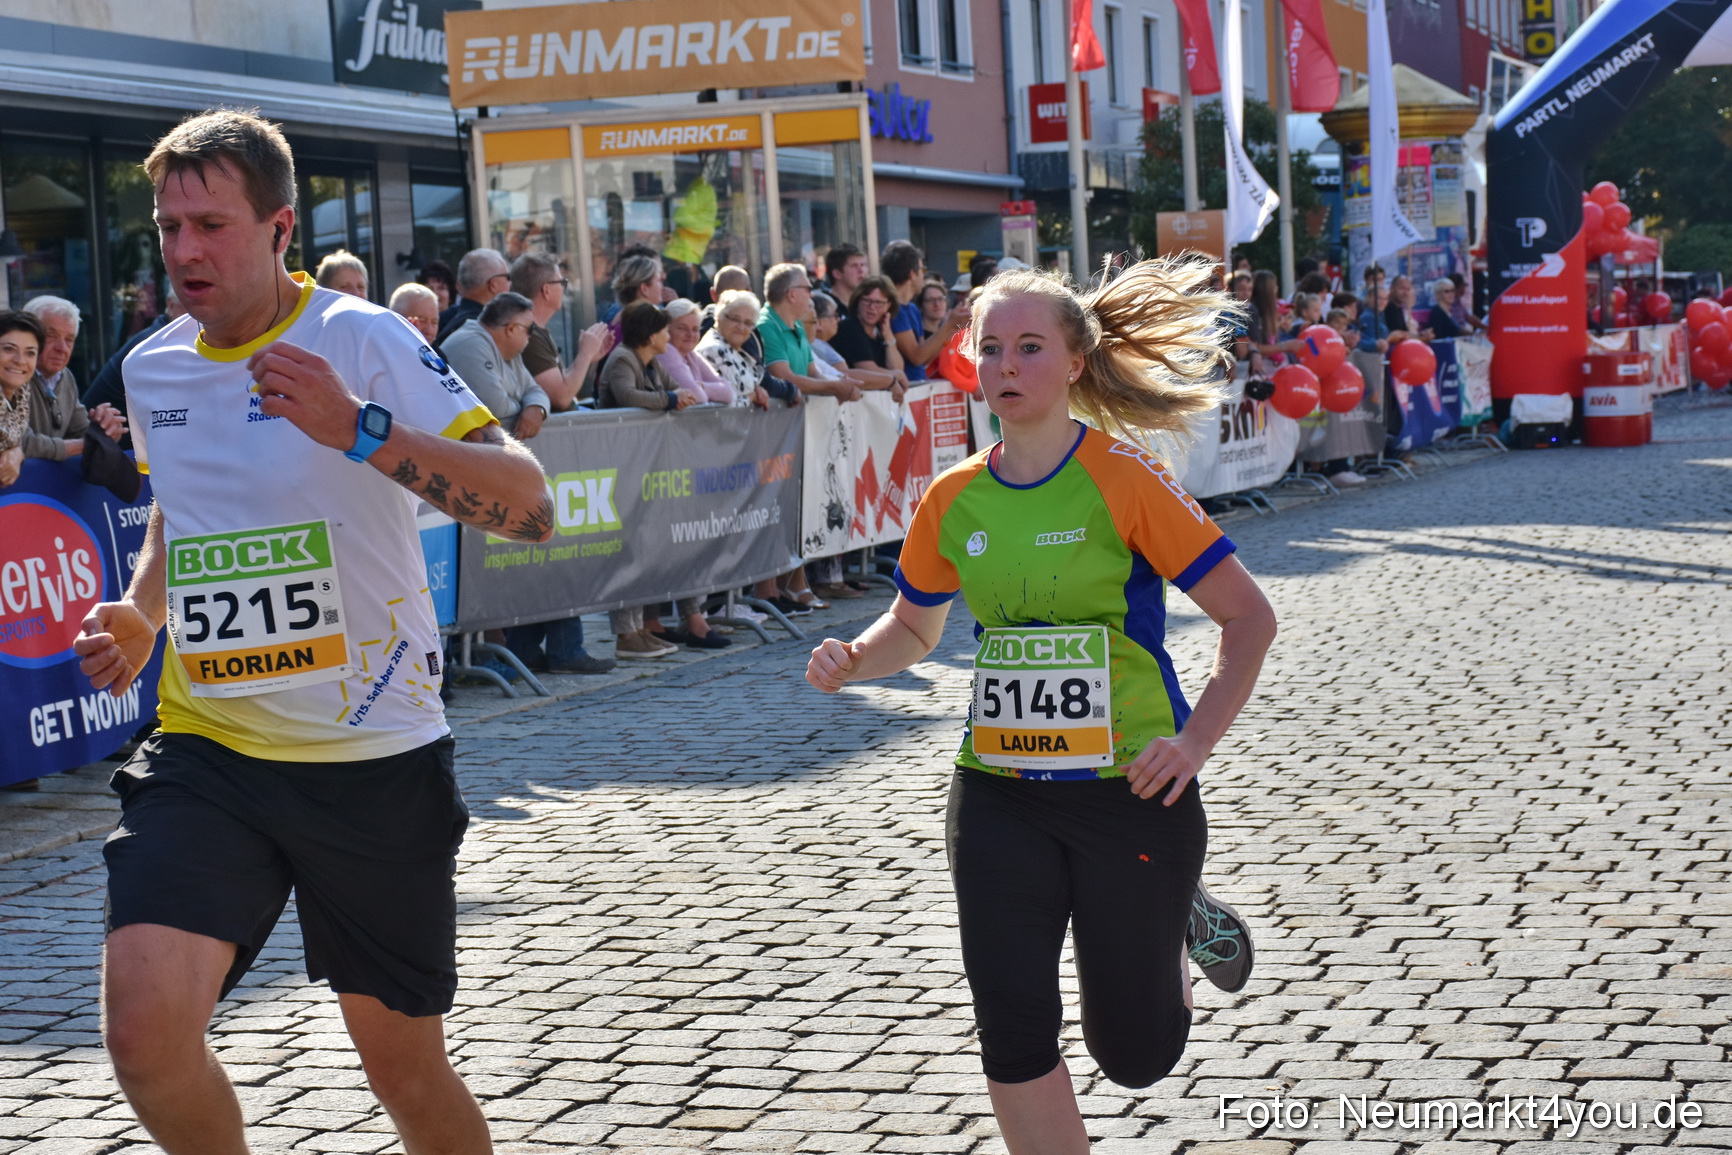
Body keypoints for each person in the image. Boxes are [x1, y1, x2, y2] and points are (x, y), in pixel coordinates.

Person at [71, 108, 553, 1155]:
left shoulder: (363, 340)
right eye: (168, 228)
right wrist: (145, 610)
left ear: (280, 227)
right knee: (145, 1033)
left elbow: (528, 504)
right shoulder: (154, 369)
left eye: (211, 224)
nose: (185, 251)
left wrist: (359, 430)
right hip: (212, 751)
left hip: (373, 763)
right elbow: (182, 508)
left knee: (406, 1074)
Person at [806, 258, 1274, 1152]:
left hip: (1130, 787)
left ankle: (1178, 912)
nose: (1007, 365)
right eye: (991, 349)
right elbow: (913, 626)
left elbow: (1249, 617)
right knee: (1013, 1029)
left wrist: (1192, 746)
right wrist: (854, 659)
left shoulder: (1124, 479)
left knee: (1135, 1054)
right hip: (999, 791)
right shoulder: (952, 496)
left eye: (1029, 347)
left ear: (1074, 364)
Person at [594, 302, 719, 658]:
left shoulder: (650, 360)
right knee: (626, 550)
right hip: (620, 466)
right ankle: (625, 634)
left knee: (643, 549)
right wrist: (670, 399)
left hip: (642, 467)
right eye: (665, 330)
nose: (669, 336)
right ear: (651, 335)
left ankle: (638, 629)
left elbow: (683, 393)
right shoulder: (623, 359)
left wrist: (675, 396)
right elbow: (628, 396)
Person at [21, 296, 127, 461]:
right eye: (51, 335)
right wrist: (88, 444)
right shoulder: (11, 376)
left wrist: (104, 428)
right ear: (27, 336)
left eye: (69, 340)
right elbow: (19, 442)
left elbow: (80, 431)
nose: (61, 348)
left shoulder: (65, 376)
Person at [439, 292, 551, 440]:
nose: (530, 336)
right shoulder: (470, 344)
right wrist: (524, 407)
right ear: (511, 329)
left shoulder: (510, 351)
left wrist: (536, 408)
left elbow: (535, 390)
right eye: (530, 329)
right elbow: (495, 408)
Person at [508, 251, 611, 410]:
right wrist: (584, 355)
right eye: (561, 282)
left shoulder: (535, 331)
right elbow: (561, 398)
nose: (564, 289)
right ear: (546, 290)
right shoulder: (529, 336)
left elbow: (558, 381)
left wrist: (588, 357)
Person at [757, 262, 864, 403]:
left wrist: (840, 386)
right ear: (792, 294)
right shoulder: (765, 326)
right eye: (807, 289)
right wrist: (835, 386)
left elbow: (813, 373)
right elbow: (785, 378)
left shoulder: (797, 326)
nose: (811, 294)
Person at [83, 288, 187, 430]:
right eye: (189, 304)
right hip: (114, 445)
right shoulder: (156, 346)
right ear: (170, 305)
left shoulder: (169, 338)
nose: (197, 315)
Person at [882, 240, 970, 382]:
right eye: (921, 270)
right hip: (905, 387)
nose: (924, 275)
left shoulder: (912, 309)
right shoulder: (895, 310)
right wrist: (949, 325)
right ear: (912, 274)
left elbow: (925, 356)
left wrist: (952, 329)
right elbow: (916, 357)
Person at [696, 290, 799, 410]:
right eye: (735, 319)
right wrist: (753, 397)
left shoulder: (738, 351)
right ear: (719, 316)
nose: (741, 327)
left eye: (748, 323)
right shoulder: (715, 350)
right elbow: (728, 403)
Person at [657, 299, 733, 404]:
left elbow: (729, 393)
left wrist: (701, 386)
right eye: (682, 328)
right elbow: (696, 396)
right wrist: (706, 390)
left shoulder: (691, 355)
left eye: (695, 329)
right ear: (667, 329)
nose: (690, 335)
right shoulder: (666, 352)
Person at [829, 275, 907, 377]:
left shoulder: (881, 329)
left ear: (889, 306)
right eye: (867, 300)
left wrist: (888, 337)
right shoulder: (850, 327)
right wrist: (895, 376)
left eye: (879, 302)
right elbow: (868, 370)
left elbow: (897, 369)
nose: (872, 307)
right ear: (858, 301)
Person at [435, 248, 508, 346]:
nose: (510, 283)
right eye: (507, 277)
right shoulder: (486, 329)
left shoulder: (444, 320)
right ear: (493, 284)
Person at [0, 310, 40, 489]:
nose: (20, 360)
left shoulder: (22, 391)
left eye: (30, 353)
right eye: (9, 349)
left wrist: (17, 452)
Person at [603, 254, 665, 341]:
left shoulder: (623, 319)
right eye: (659, 281)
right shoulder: (639, 327)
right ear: (644, 289)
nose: (662, 286)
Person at [1383, 274, 1432, 345]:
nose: (1405, 293)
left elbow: (1405, 332)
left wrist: (1421, 335)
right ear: (1391, 288)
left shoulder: (1398, 307)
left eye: (1408, 289)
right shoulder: (1390, 307)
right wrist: (1421, 338)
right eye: (1402, 288)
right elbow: (1400, 336)